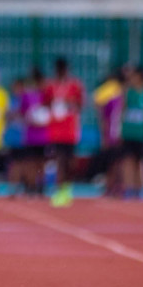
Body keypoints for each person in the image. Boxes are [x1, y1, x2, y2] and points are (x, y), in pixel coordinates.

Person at [44, 58, 84, 205]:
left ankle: (67, 189)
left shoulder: (75, 85)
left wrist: (69, 104)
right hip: (55, 129)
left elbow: (80, 105)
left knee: (69, 162)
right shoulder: (50, 85)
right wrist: (55, 105)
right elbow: (45, 102)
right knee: (59, 160)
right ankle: (60, 190)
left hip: (70, 129)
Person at [119, 67, 143, 198]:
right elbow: (122, 110)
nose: (131, 79)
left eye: (133, 76)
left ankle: (140, 188)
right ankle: (129, 188)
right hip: (129, 133)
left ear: (140, 76)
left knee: (141, 162)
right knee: (128, 161)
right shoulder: (128, 92)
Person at [20, 68, 50, 195]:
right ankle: (30, 186)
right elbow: (22, 113)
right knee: (31, 162)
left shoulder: (46, 95)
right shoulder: (27, 95)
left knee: (41, 162)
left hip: (44, 135)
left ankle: (40, 186)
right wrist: (31, 117)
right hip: (32, 135)